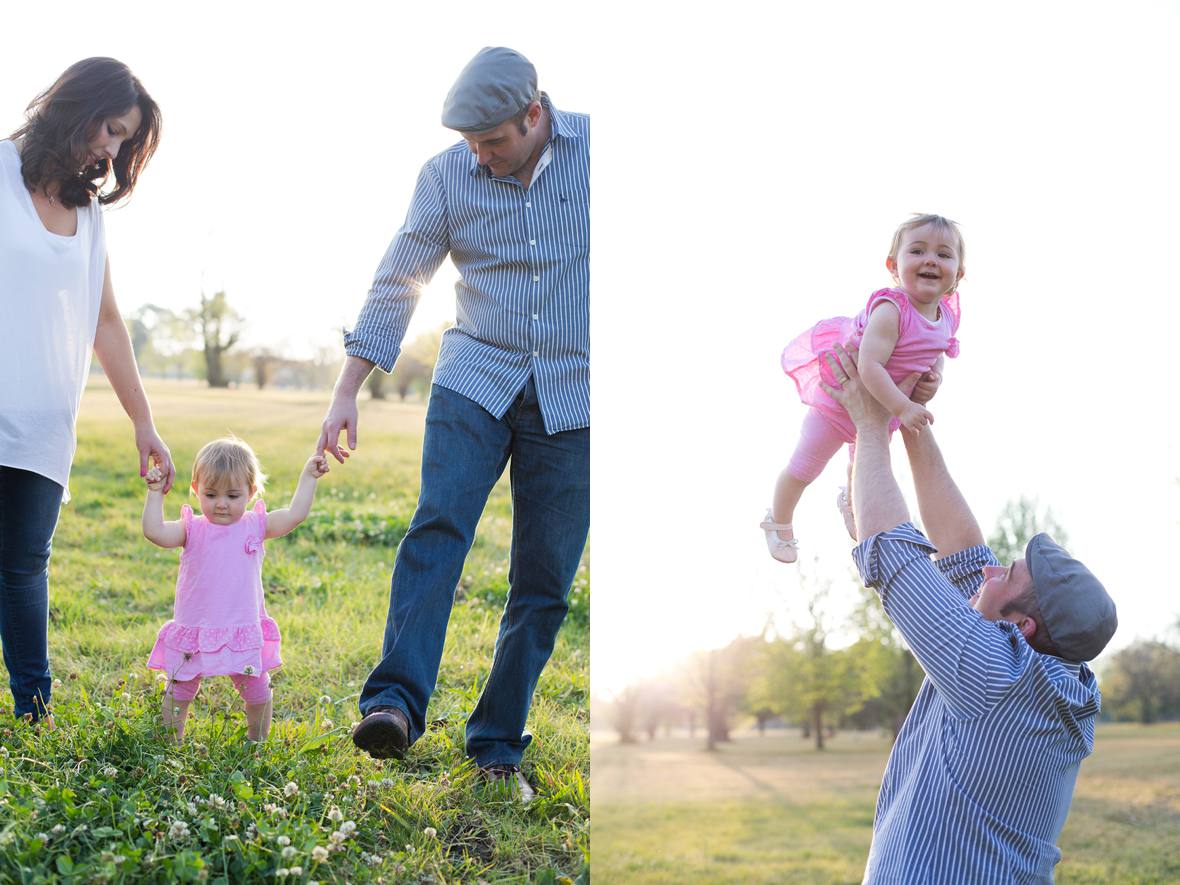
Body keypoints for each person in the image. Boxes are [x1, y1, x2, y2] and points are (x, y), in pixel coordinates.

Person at [317, 46, 589, 801]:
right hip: (475, 376)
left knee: (545, 579)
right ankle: (393, 705)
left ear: (534, 114)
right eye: (470, 142)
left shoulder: (599, 155)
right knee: (436, 530)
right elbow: (400, 274)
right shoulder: (445, 175)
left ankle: (497, 740)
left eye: (493, 141)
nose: (480, 154)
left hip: (576, 393)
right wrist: (349, 388)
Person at [820, 343, 1117, 882]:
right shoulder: (1054, 676)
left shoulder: (995, 675)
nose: (988, 570)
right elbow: (962, 549)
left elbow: (892, 550)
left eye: (1006, 575)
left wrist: (869, 423)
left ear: (1020, 627)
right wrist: (910, 419)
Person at [0, 58, 173, 726]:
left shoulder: (88, 213)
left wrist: (143, 421)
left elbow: (104, 321)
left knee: (23, 567)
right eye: (110, 128)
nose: (112, 148)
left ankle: (33, 708)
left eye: (124, 140)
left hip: (44, 422)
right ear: (76, 105)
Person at [762, 214, 965, 562]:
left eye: (944, 255)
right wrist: (903, 408)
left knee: (866, 470)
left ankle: (851, 503)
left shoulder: (945, 315)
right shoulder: (891, 309)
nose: (931, 259)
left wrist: (934, 378)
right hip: (840, 402)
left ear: (958, 274)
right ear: (893, 265)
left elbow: (939, 349)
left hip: (881, 409)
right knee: (805, 467)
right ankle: (778, 520)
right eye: (917, 251)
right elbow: (869, 366)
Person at [142, 438, 329, 743]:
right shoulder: (193, 528)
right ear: (195, 488)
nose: (221, 504)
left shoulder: (255, 525)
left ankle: (257, 742)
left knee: (257, 689)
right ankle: (169, 745)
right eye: (211, 494)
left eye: (233, 495)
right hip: (196, 629)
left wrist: (308, 477)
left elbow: (295, 514)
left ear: (251, 492)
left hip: (240, 629)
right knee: (179, 689)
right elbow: (155, 532)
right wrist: (154, 495)